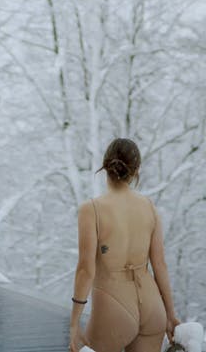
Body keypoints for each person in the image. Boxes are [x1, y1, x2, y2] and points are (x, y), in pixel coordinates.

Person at [70, 138, 180, 352]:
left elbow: (85, 270)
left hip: (113, 307)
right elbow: (160, 266)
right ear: (136, 170)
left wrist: (74, 322)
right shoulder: (149, 207)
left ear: (105, 166)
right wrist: (170, 314)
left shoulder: (91, 210)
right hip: (152, 306)